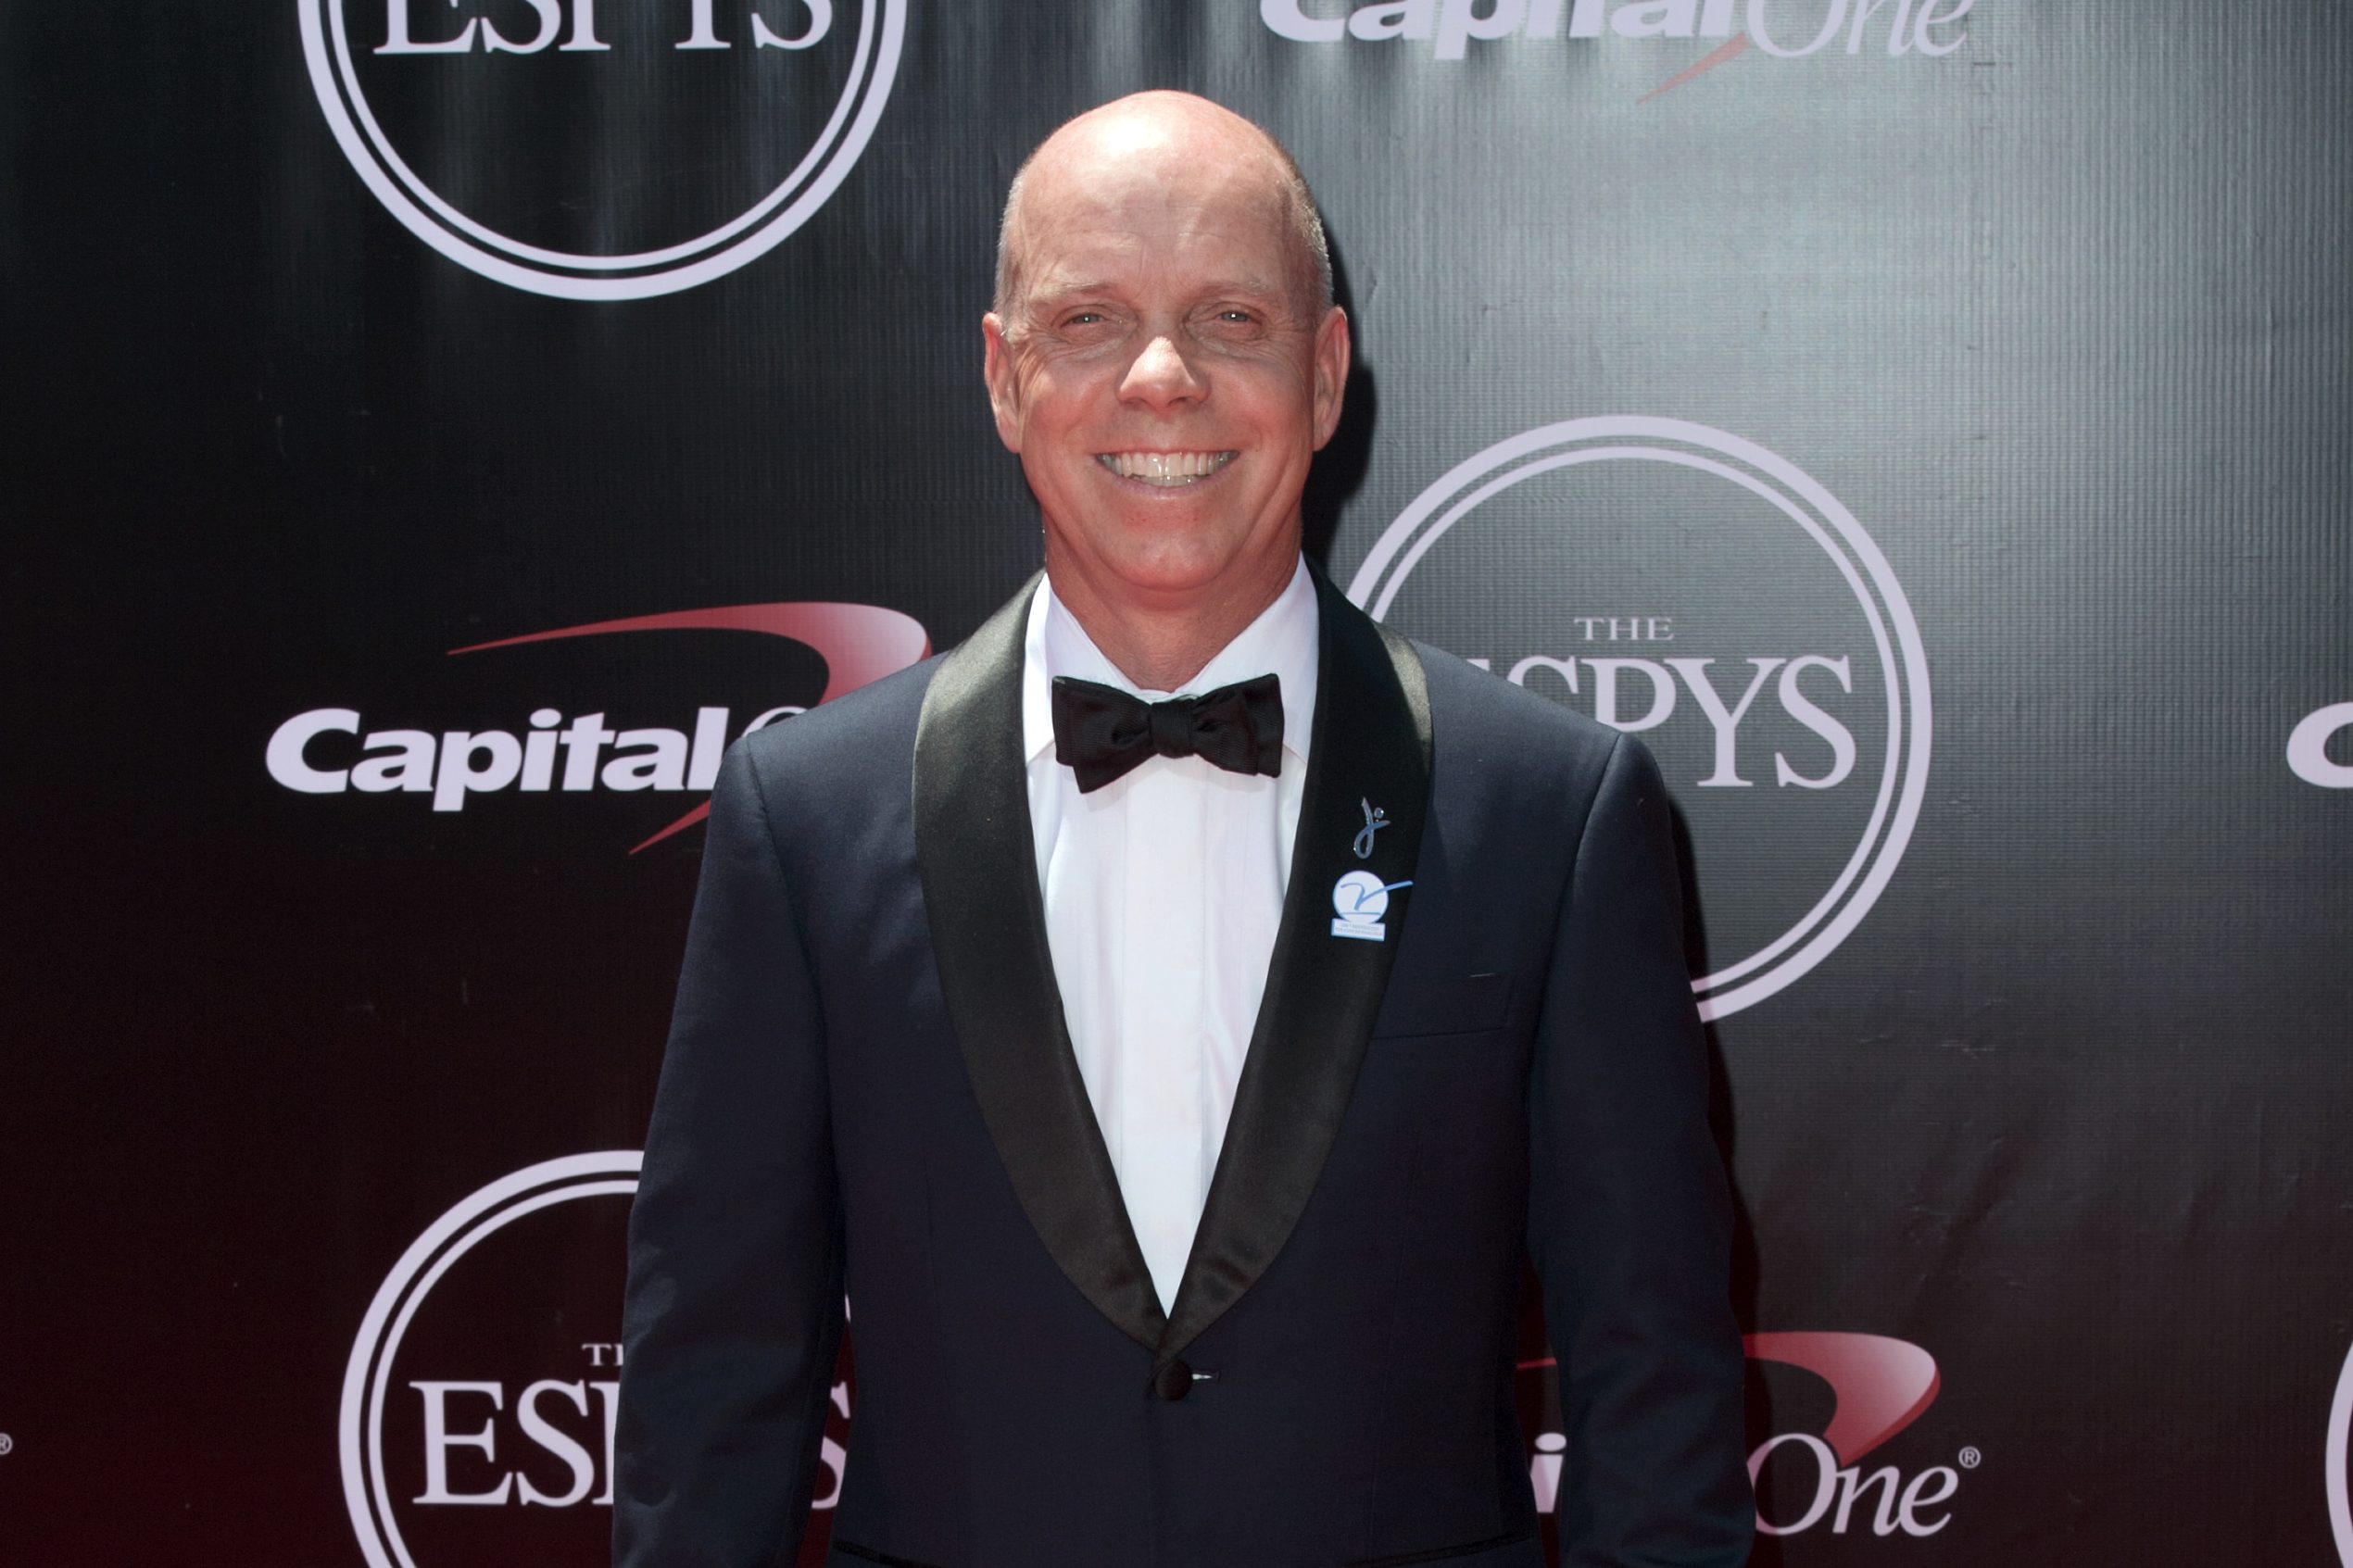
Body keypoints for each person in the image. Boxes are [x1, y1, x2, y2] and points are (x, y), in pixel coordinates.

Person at [615, 90, 1752, 1568]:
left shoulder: (1553, 810)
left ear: (1325, 375)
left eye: (1230, 318)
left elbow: (1655, 1378)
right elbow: (713, 1390)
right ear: (1004, 377)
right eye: (1089, 320)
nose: (1163, 378)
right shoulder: (806, 821)